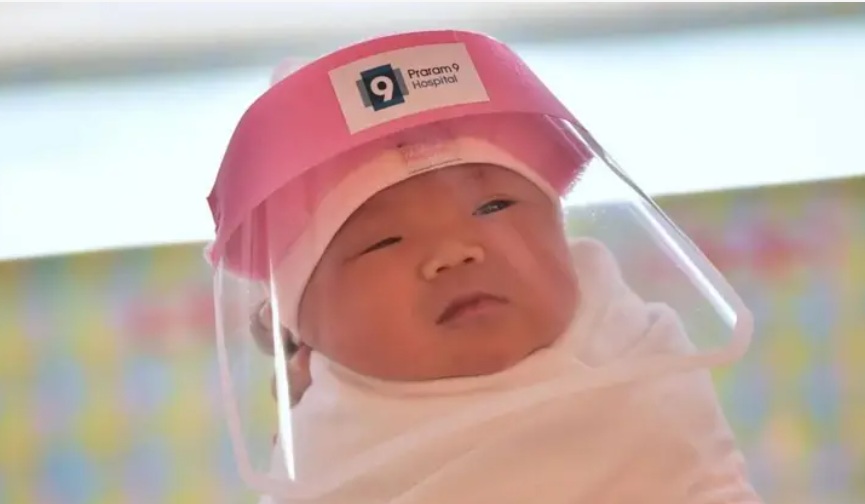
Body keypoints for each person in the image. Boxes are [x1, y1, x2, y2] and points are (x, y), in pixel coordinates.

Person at [206, 29, 762, 503]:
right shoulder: (330, 457)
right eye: (384, 242)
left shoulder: (632, 352)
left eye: (494, 207)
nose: (454, 252)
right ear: (305, 335)